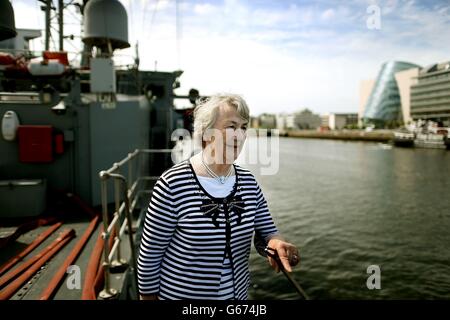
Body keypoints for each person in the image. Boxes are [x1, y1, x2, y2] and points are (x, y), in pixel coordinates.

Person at [137, 93, 299, 300]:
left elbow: (267, 232)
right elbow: (150, 254)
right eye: (231, 127)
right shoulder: (173, 183)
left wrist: (276, 243)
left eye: (243, 128)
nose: (239, 136)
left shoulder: (248, 182)